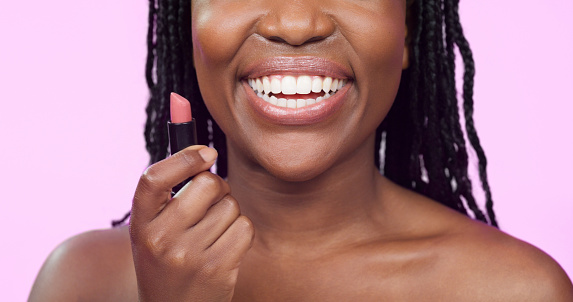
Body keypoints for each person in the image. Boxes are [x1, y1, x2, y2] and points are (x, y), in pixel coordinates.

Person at [29, 0, 573, 301]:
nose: (294, 23)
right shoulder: (81, 282)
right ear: (187, 24)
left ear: (408, 30)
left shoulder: (511, 291)